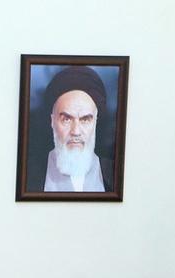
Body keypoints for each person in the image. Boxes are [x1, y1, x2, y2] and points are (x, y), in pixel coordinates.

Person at [31, 65, 114, 193]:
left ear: (95, 122)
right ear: (52, 121)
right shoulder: (28, 174)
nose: (76, 131)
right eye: (67, 119)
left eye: (85, 120)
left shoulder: (114, 174)